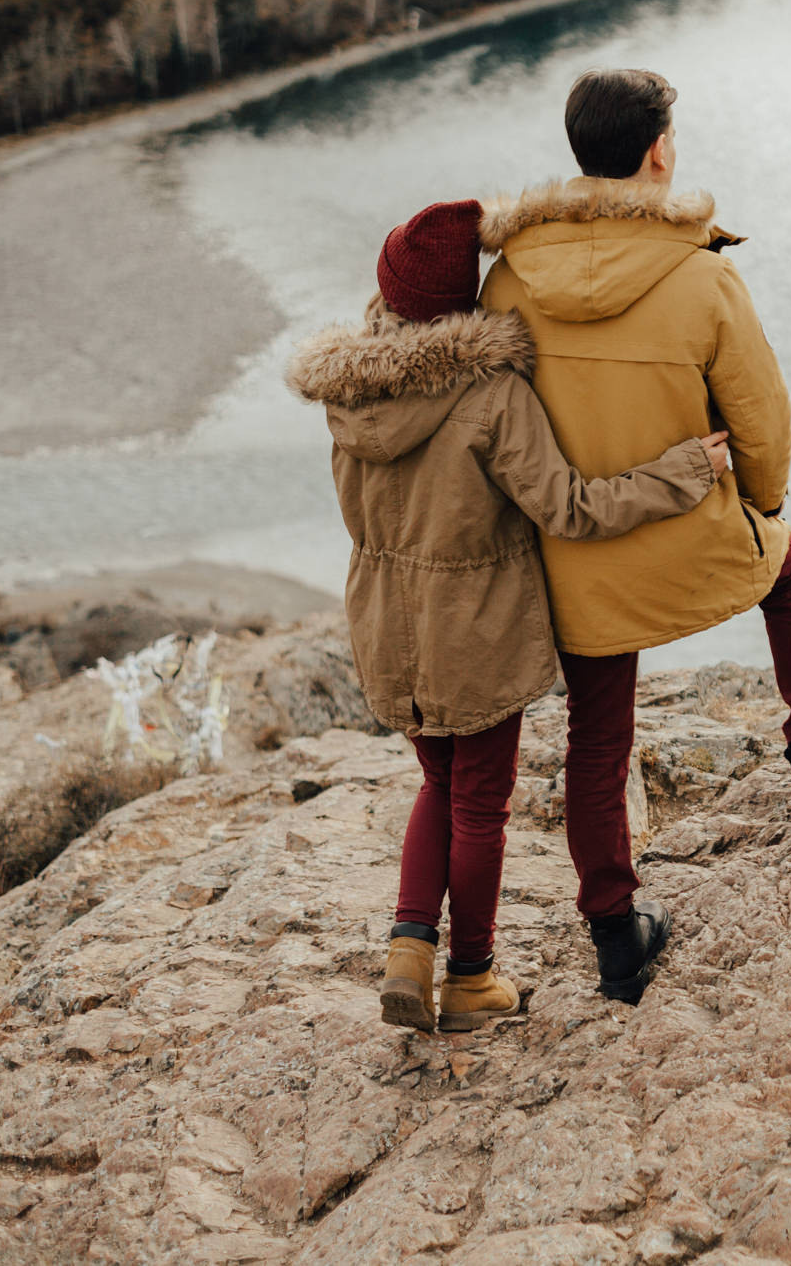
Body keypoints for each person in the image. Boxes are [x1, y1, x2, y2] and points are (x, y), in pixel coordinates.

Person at [475, 69, 791, 1006]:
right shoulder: (703, 273)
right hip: (689, 526)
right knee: (790, 569)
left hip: (574, 560)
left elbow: (494, 426)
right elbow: (761, 424)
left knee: (598, 739)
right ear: (659, 151)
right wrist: (764, 506)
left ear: (582, 153)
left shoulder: (509, 279)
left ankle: (617, 936)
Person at [285, 199, 730, 1033]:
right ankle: (472, 975)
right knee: (480, 802)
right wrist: (679, 472)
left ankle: (409, 948)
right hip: (472, 631)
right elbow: (569, 507)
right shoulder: (490, 392)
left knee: (439, 781)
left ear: (388, 292)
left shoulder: (349, 395)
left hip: (385, 625)